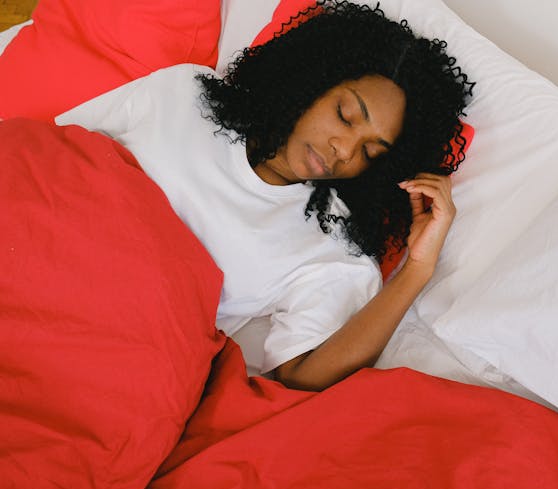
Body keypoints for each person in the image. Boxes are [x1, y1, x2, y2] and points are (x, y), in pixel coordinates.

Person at [56, 0, 473, 391]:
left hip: (109, 353)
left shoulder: (333, 245)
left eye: (370, 152)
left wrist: (417, 269)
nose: (344, 151)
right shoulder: (184, 95)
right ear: (312, 81)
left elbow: (304, 377)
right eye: (345, 116)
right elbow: (51, 156)